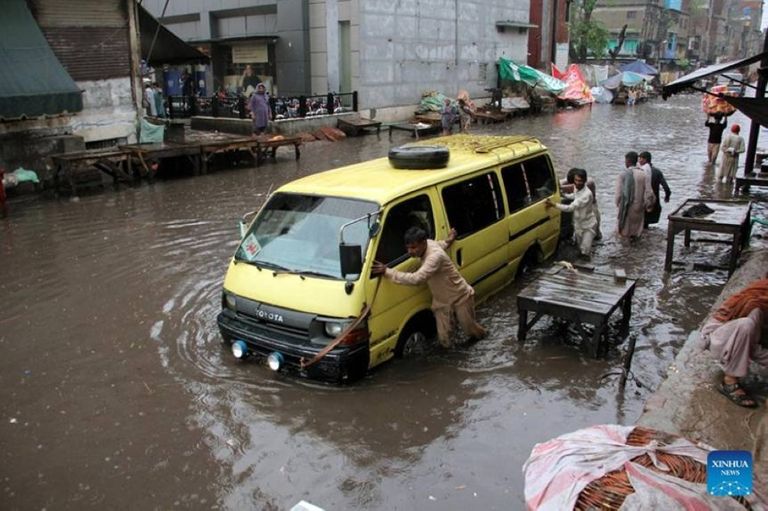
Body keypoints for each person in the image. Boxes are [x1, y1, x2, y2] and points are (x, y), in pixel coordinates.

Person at [371, 226, 486, 348]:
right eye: (408, 247)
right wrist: (449, 240)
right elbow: (441, 244)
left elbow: (417, 279)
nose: (410, 251)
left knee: (470, 330)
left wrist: (387, 272)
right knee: (445, 340)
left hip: (460, 295)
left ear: (423, 243)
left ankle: (485, 338)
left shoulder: (434, 257)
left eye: (414, 247)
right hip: (442, 301)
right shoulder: (430, 244)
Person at [701, 278, 768, 408]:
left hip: (743, 341)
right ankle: (729, 381)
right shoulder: (757, 302)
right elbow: (750, 345)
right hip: (720, 339)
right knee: (746, 325)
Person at [546, 168, 597, 259]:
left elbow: (570, 208)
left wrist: (554, 204)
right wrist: (564, 195)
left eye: (580, 181)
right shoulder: (576, 187)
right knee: (579, 248)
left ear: (585, 181)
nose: (577, 183)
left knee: (585, 251)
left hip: (588, 226)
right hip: (578, 224)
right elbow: (574, 196)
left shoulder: (587, 195)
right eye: (576, 180)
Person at [615, 151, 655, 240]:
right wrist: (648, 205)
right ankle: (636, 251)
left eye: (625, 161)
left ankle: (626, 253)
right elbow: (649, 193)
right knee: (637, 233)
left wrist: (618, 205)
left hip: (626, 210)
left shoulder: (623, 175)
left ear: (628, 162)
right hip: (639, 209)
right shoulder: (643, 174)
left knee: (624, 235)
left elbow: (618, 195)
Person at [561, 168, 602, 240]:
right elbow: (562, 182)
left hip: (591, 211)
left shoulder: (589, 182)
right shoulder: (572, 181)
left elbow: (570, 187)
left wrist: (559, 188)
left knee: (594, 235)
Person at [638, 151, 671, 228]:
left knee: (641, 224)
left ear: (645, 160)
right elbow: (666, 187)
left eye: (640, 158)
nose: (639, 161)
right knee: (646, 223)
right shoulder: (657, 172)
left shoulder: (639, 171)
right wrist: (667, 196)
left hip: (642, 201)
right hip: (654, 201)